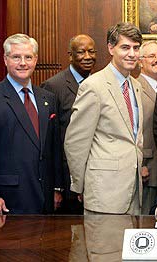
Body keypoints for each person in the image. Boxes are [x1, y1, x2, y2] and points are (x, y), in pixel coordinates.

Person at [0, 33, 62, 214]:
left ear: (35, 60)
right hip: (8, 200)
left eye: (28, 57)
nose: (23, 63)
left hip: (45, 198)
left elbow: (54, 149)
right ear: (5, 60)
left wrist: (57, 188)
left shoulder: (48, 98)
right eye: (16, 57)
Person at [64, 23, 144, 215]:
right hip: (103, 192)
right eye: (125, 47)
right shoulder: (93, 86)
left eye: (136, 48)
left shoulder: (135, 85)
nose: (132, 54)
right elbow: (76, 142)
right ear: (111, 48)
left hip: (133, 190)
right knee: (103, 246)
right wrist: (81, 185)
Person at [41, 34, 97, 214]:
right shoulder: (53, 86)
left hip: (96, 176)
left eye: (91, 51)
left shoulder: (99, 84)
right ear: (70, 56)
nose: (87, 57)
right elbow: (51, 140)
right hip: (66, 179)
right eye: (81, 52)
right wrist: (57, 186)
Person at [137, 40, 157, 214]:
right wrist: (139, 163)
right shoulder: (134, 87)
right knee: (145, 222)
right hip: (147, 170)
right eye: (151, 56)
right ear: (140, 61)